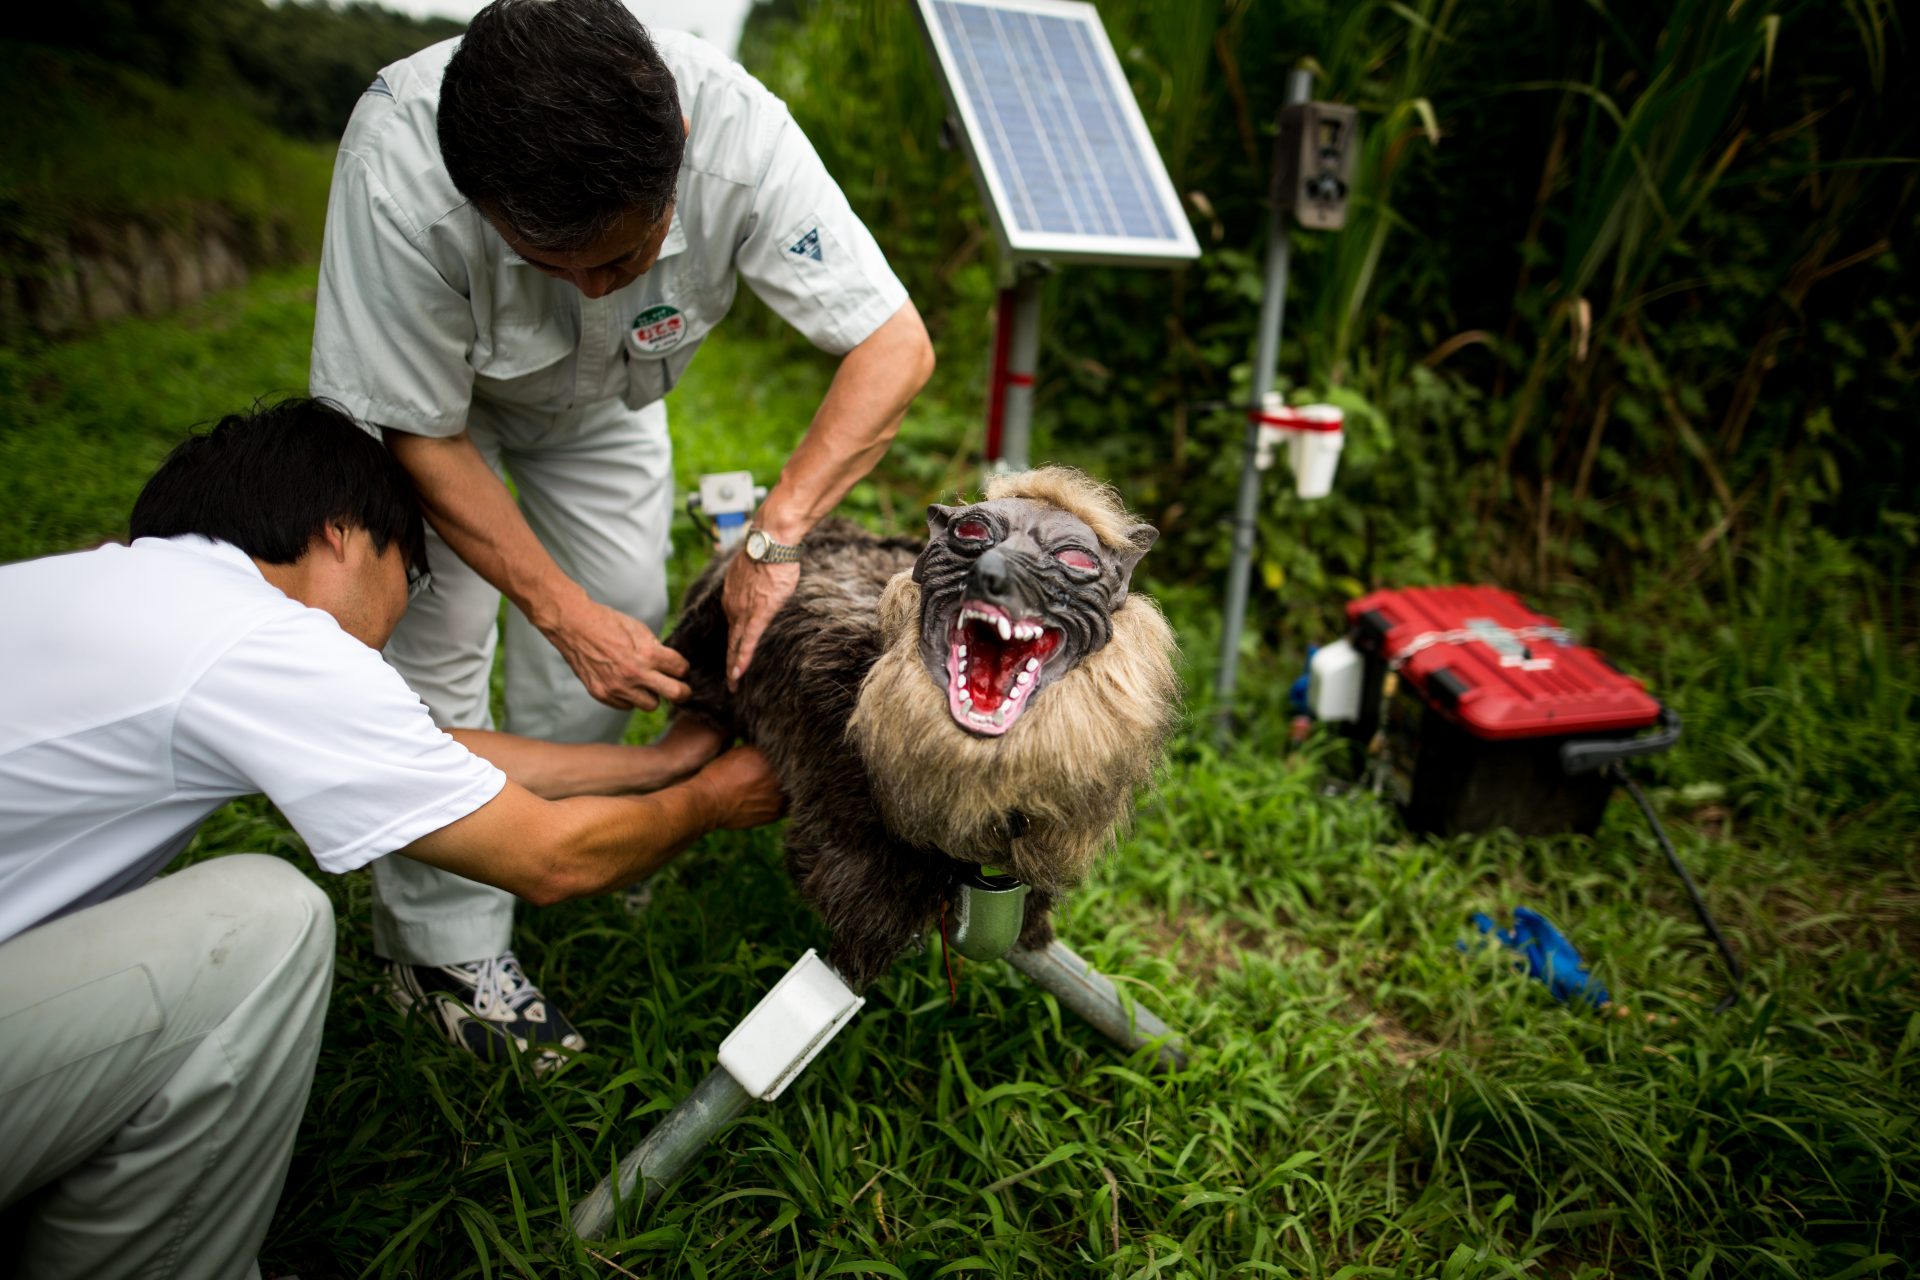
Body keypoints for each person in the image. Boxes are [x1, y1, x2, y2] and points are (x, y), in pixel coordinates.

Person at [0, 399, 783, 1280]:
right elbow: (552, 857)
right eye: (410, 574)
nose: (402, 615)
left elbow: (434, 756)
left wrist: (656, 769)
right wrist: (714, 799)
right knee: (266, 923)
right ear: (342, 535)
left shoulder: (122, 593)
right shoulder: (266, 642)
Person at [308, 0, 934, 1061]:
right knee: (438, 646)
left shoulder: (741, 134)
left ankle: (576, 861)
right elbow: (419, 431)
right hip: (434, 415)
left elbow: (892, 344)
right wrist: (553, 610)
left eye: (621, 258)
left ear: (678, 151)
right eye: (556, 266)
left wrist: (774, 538)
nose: (594, 290)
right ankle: (443, 954)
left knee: (625, 625)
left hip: (607, 410)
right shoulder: (396, 166)